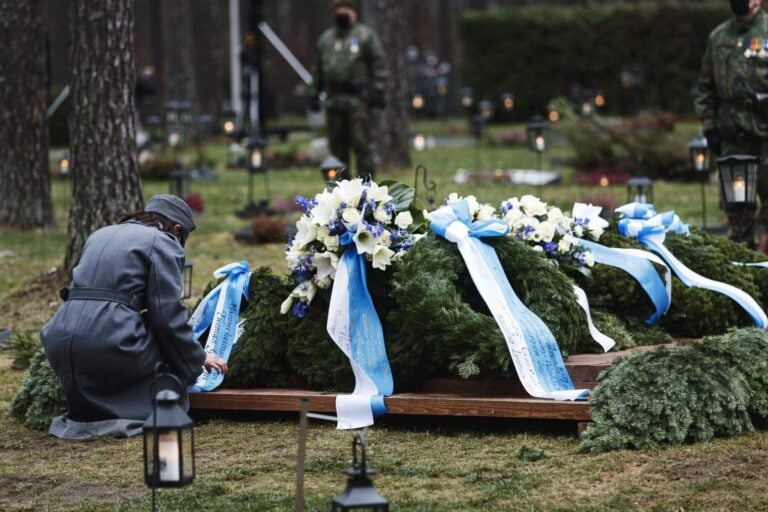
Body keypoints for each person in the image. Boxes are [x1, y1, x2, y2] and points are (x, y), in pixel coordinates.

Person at [41, 195, 227, 440]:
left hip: (60, 338)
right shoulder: (163, 242)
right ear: (176, 229)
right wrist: (197, 358)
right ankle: (132, 411)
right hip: (107, 339)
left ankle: (90, 414)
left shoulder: (99, 234)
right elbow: (167, 317)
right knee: (167, 353)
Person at [694, 0, 768, 248]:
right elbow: (706, 86)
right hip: (732, 135)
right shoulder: (719, 36)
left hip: (765, 133)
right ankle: (742, 259)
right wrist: (709, 125)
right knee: (737, 206)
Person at [308, 0, 388, 179]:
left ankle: (366, 187)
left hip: (358, 101)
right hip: (333, 101)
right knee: (337, 149)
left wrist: (378, 90)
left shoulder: (365, 36)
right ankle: (340, 188)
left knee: (362, 145)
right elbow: (318, 69)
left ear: (354, 13)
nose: (342, 13)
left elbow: (379, 64)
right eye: (339, 9)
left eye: (347, 9)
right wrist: (313, 93)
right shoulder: (326, 39)